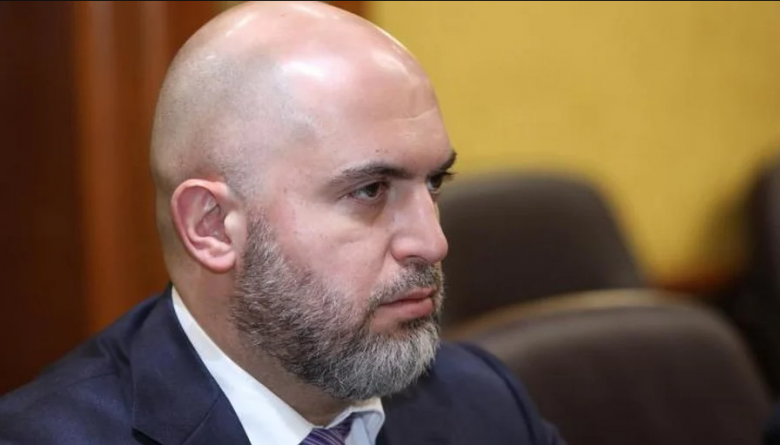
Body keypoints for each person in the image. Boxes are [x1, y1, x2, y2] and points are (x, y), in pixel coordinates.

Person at [0, 1, 565, 444]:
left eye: (434, 182)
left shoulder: (485, 403)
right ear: (212, 227)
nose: (433, 241)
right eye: (369, 191)